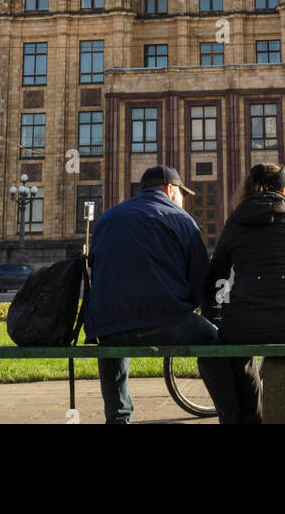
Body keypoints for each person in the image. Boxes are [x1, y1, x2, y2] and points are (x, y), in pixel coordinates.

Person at [84, 164, 229, 424]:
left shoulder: (108, 218)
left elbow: (96, 269)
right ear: (170, 189)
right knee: (212, 341)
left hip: (107, 325)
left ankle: (118, 418)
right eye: (182, 194)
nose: (182, 200)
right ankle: (230, 414)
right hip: (165, 321)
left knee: (112, 339)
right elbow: (201, 281)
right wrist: (188, 309)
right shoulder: (182, 220)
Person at [203, 163, 285, 424]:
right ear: (284, 189)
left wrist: (214, 317)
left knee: (238, 356)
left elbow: (217, 277)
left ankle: (253, 415)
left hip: (244, 323)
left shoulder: (236, 220)